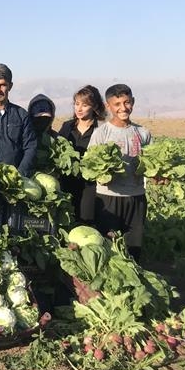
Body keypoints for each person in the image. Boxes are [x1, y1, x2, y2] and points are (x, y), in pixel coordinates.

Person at [88, 84, 152, 261]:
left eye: (127, 102)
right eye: (117, 104)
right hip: (108, 197)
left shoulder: (143, 133)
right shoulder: (101, 133)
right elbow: (90, 165)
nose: (123, 108)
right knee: (109, 247)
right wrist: (102, 171)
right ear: (108, 106)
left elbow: (153, 163)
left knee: (133, 246)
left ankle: (133, 281)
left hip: (136, 196)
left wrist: (159, 174)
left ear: (133, 102)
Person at [58, 85, 107, 224]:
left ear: (94, 106)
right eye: (77, 104)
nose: (79, 109)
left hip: (90, 185)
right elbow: (59, 150)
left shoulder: (101, 129)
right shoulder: (67, 126)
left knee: (86, 220)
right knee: (66, 220)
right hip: (67, 182)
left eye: (84, 105)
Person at [27, 94, 58, 173]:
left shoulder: (56, 138)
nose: (41, 121)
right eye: (38, 118)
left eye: (45, 118)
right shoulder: (25, 136)